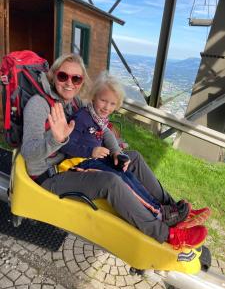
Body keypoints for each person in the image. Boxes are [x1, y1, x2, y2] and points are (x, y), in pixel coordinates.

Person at [21, 53, 208, 249]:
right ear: (53, 75)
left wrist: (117, 151)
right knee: (110, 181)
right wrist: (56, 139)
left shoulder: (75, 102)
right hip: (49, 175)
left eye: (76, 78)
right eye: (63, 76)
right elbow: (29, 153)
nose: (69, 83)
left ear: (82, 82)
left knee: (132, 157)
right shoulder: (38, 104)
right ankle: (168, 234)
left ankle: (174, 211)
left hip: (73, 161)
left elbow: (103, 128)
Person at [59, 71, 210, 228]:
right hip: (80, 164)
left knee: (127, 174)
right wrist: (91, 151)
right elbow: (67, 145)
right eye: (103, 101)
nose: (107, 107)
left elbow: (105, 133)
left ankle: (169, 208)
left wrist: (116, 152)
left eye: (112, 104)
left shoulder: (99, 118)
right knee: (120, 180)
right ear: (93, 96)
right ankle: (159, 214)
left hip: (95, 161)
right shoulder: (82, 117)